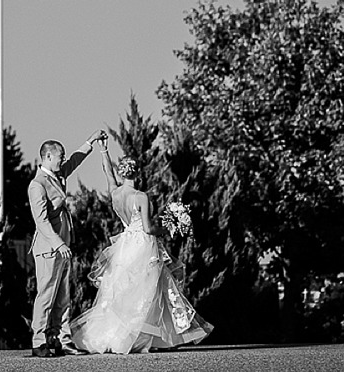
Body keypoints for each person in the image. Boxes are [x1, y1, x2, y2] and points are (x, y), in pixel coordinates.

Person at [70, 137, 213, 354]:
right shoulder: (141, 196)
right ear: (138, 173)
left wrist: (104, 150)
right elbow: (148, 228)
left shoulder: (115, 193)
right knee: (149, 292)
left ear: (122, 172)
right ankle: (145, 339)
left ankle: (132, 337)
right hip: (143, 246)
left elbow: (107, 174)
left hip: (126, 245)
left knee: (126, 292)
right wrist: (170, 228)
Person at [28, 130, 105, 357]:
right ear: (48, 157)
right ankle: (39, 340)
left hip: (64, 247)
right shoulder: (37, 184)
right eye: (59, 156)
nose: (63, 160)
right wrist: (58, 243)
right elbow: (40, 221)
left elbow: (74, 161)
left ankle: (62, 339)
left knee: (63, 296)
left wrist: (90, 141)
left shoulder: (59, 175)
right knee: (46, 295)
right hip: (48, 249)